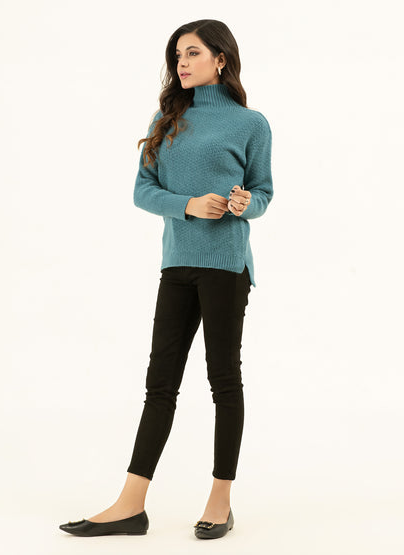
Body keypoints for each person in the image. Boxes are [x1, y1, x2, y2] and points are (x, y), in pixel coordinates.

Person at [59, 18, 273, 540]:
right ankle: (131, 504)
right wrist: (189, 205)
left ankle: (220, 500)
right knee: (160, 385)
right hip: (177, 263)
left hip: (227, 266)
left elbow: (264, 192)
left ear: (220, 59)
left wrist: (244, 203)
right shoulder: (166, 118)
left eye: (192, 52)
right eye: (177, 54)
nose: (181, 62)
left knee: (224, 381)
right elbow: (143, 190)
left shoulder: (251, 123)